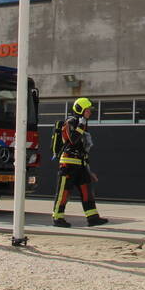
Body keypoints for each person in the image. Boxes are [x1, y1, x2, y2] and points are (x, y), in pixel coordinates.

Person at [52, 97, 108, 228]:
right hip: (68, 164)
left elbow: (84, 148)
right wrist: (81, 125)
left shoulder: (83, 124)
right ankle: (57, 218)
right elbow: (73, 140)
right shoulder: (70, 122)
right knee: (64, 192)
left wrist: (89, 170)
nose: (90, 112)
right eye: (87, 110)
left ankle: (93, 218)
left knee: (87, 190)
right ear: (80, 109)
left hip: (81, 164)